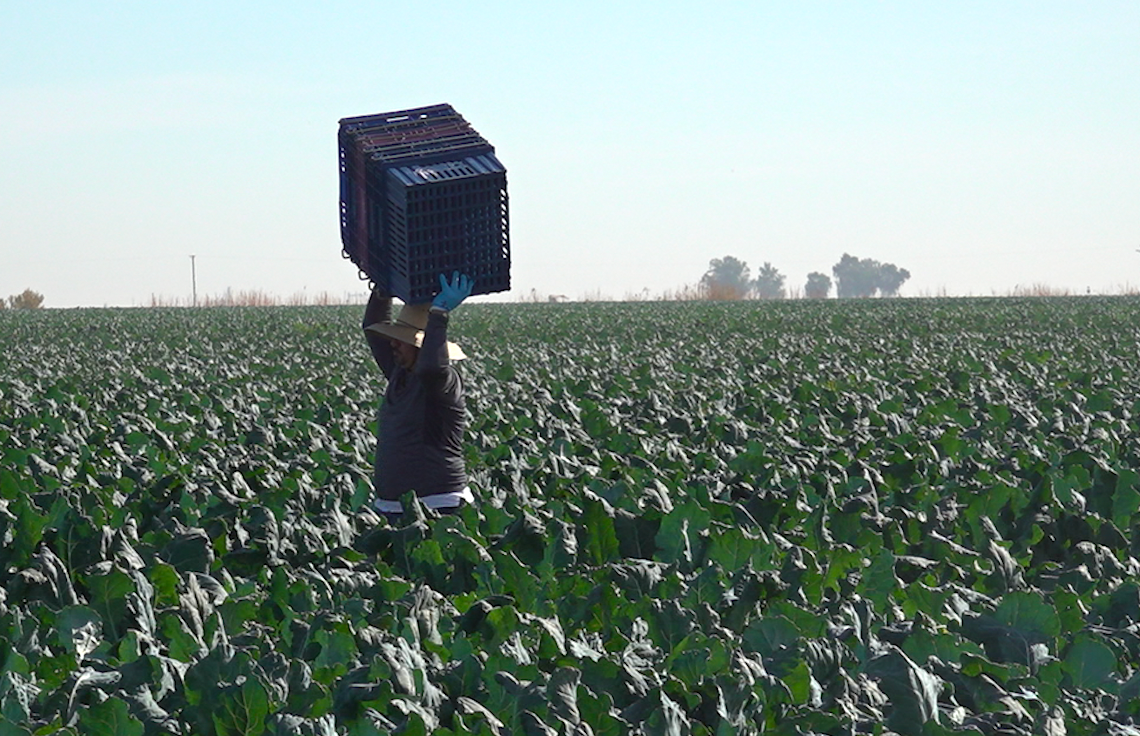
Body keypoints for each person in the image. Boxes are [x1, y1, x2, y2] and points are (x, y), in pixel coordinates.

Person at [362, 271, 475, 521]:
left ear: (421, 346)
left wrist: (438, 315)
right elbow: (371, 331)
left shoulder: (441, 382)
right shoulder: (400, 374)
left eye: (401, 340)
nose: (393, 344)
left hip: (439, 506)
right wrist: (382, 290)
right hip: (392, 507)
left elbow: (432, 366)